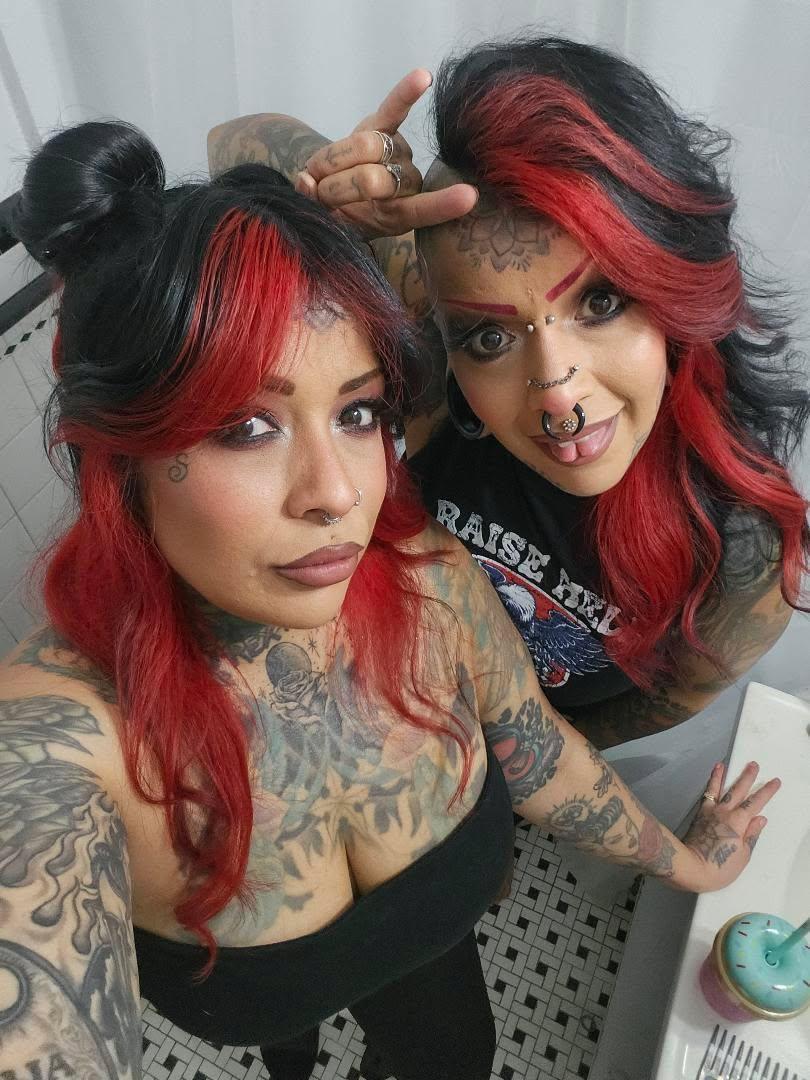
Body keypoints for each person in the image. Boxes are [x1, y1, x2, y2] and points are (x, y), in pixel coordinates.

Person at [0, 120, 779, 1080]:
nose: (337, 493)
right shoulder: (56, 741)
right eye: (248, 426)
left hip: (432, 968)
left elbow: (541, 755)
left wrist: (693, 865)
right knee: (286, 1052)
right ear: (120, 455)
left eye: (359, 412)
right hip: (256, 999)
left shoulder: (433, 583)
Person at [208, 35, 810, 750]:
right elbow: (230, 142)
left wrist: (499, 760)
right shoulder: (430, 335)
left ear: (668, 283)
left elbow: (658, 706)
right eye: (490, 338)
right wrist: (322, 216)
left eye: (601, 304)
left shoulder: (739, 555)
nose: (556, 394)